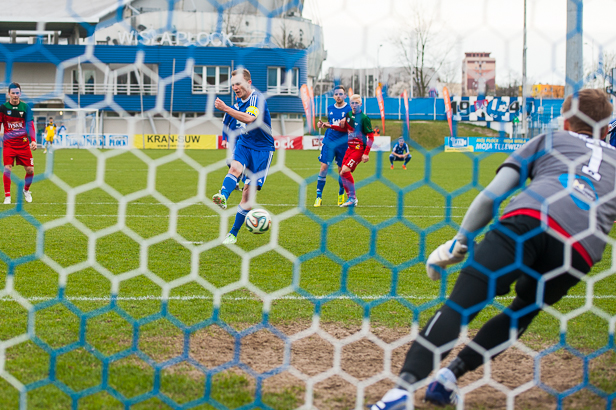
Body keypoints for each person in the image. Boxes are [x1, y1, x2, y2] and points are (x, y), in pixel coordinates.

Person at [371, 89, 616, 409]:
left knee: (461, 305)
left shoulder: (551, 139)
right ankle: (449, 378)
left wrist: (460, 240)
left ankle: (401, 392)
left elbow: (492, 195)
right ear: (608, 127)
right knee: (523, 309)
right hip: (578, 250)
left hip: (528, 220)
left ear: (567, 122)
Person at [212, 68, 274, 244]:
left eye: (238, 83)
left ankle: (233, 233)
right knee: (234, 167)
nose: (235, 87)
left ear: (248, 82)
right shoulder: (238, 102)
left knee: (248, 195)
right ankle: (223, 195)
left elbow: (249, 119)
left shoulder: (257, 98)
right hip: (245, 143)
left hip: (263, 149)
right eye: (232, 84)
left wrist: (225, 108)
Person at [319, 94, 374, 207]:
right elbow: (343, 128)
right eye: (352, 103)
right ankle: (351, 198)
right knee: (342, 173)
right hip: (350, 148)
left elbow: (371, 137)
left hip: (359, 149)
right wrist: (329, 126)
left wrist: (366, 153)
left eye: (356, 103)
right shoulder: (348, 115)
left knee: (344, 171)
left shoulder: (364, 118)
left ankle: (352, 198)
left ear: (361, 104)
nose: (354, 105)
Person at [314, 85, 351, 207]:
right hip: (329, 140)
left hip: (343, 143)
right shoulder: (330, 108)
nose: (338, 96)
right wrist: (324, 124)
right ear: (333, 96)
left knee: (342, 171)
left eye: (341, 94)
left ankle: (341, 193)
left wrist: (347, 122)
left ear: (345, 96)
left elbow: (353, 126)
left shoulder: (350, 109)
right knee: (324, 167)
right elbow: (331, 123)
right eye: (336, 94)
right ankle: (318, 197)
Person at [0, 83, 37, 204]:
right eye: (13, 93)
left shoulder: (26, 108)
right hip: (9, 144)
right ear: (9, 94)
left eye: (17, 93)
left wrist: (33, 141)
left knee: (30, 170)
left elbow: (30, 125)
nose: (15, 95)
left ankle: (26, 190)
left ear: (20, 94)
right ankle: (7, 196)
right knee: (7, 169)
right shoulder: (3, 108)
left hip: (23, 144)